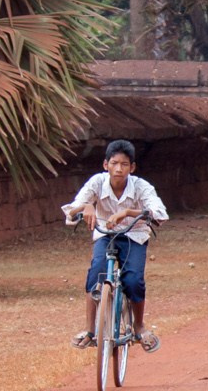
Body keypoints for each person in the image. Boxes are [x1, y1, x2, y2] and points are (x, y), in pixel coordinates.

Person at [65, 139, 167, 350]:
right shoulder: (97, 182)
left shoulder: (141, 187)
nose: (119, 169)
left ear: (132, 167)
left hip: (134, 235)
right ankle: (90, 330)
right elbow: (72, 209)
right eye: (114, 163)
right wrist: (86, 207)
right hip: (105, 234)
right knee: (96, 272)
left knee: (133, 280)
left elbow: (159, 212)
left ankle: (139, 327)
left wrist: (128, 213)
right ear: (106, 165)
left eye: (124, 164)